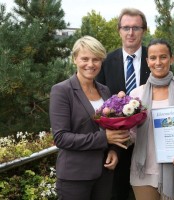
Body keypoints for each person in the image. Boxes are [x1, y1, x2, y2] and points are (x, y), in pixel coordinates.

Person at [49, 36, 130, 200]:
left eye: (96, 59)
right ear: (74, 59)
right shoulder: (62, 91)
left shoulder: (105, 91)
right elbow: (61, 137)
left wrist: (114, 151)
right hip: (74, 177)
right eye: (85, 58)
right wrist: (103, 138)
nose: (90, 64)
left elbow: (111, 129)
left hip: (104, 174)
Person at [129, 38, 174, 200]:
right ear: (147, 61)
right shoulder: (136, 95)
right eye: (153, 58)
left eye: (163, 57)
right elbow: (131, 133)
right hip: (143, 169)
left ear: (171, 59)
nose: (158, 62)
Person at [96, 8, 151, 200]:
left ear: (144, 30)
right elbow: (100, 103)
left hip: (149, 140)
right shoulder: (105, 62)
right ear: (119, 30)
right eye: (126, 27)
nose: (131, 33)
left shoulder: (155, 59)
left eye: (136, 27)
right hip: (116, 144)